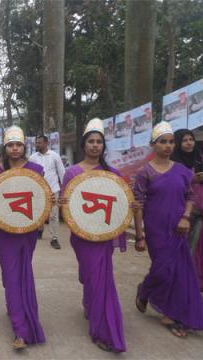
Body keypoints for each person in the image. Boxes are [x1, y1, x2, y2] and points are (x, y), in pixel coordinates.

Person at [59, 118, 129, 353]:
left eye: (99, 142)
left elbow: (121, 206)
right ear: (84, 144)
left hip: (103, 236)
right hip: (82, 236)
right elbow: (66, 207)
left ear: (103, 146)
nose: (96, 145)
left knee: (102, 280)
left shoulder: (113, 173)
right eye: (91, 141)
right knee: (90, 276)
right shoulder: (71, 172)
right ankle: (91, 304)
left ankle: (105, 331)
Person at [134, 122, 203, 338]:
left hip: (179, 227)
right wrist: (139, 235)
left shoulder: (182, 171)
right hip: (156, 228)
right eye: (162, 142)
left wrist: (185, 217)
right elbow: (138, 205)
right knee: (163, 269)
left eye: (171, 142)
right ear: (153, 145)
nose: (167, 146)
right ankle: (145, 289)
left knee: (181, 272)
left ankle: (170, 314)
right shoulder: (144, 172)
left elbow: (190, 196)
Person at [0, 126, 46, 351]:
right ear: (5, 148)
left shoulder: (36, 169)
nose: (15, 148)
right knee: (10, 273)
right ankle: (21, 329)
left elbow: (42, 198)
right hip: (3, 230)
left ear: (24, 147)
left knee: (22, 271)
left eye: (18, 144)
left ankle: (18, 311)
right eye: (11, 145)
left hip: (27, 229)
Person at [171, 129, 203, 291]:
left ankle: (186, 287)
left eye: (191, 139)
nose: (189, 142)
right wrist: (193, 179)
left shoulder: (200, 158)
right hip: (179, 211)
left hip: (199, 212)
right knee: (176, 250)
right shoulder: (172, 163)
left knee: (191, 250)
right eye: (184, 140)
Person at [29, 135, 65, 249]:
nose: (37, 145)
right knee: (38, 213)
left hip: (53, 190)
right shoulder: (32, 158)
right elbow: (29, 175)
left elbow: (62, 173)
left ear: (46, 143)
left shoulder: (54, 156)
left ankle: (54, 238)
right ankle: (39, 230)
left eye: (39, 143)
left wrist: (64, 189)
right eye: (36, 143)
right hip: (38, 191)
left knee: (54, 215)